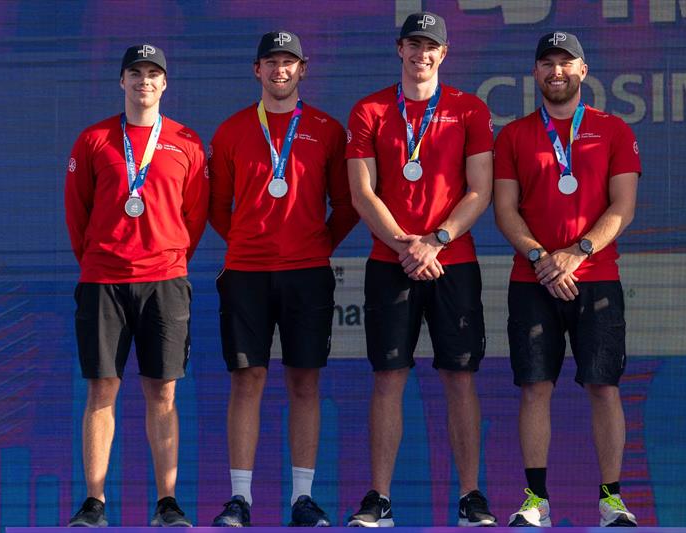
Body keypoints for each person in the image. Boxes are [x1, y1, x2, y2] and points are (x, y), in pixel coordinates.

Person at [345, 11, 496, 527]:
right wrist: (406, 246)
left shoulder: (469, 109)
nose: (421, 54)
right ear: (400, 49)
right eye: (413, 44)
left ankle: (471, 496)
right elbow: (362, 193)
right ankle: (380, 498)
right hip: (391, 262)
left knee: (460, 377)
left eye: (430, 46)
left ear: (444, 53)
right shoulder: (369, 110)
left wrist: (436, 241)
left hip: (453, 262)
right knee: (388, 377)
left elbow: (480, 189)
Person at [207, 31, 358, 527]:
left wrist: (313, 244)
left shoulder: (327, 130)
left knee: (304, 382)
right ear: (257, 70)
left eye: (288, 62)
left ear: (303, 69)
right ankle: (240, 499)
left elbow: (346, 204)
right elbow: (217, 206)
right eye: (271, 62)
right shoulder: (231, 130)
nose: (280, 70)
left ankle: (302, 499)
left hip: (308, 273)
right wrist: (250, 241)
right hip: (245, 273)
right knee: (246, 381)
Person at [493, 31, 640, 527]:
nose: (556, 71)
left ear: (583, 70)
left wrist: (577, 253)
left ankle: (611, 500)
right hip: (532, 279)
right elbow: (505, 210)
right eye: (547, 63)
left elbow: (623, 206)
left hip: (596, 277)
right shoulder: (513, 135)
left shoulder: (613, 130)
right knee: (535, 387)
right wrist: (542, 259)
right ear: (536, 72)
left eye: (566, 62)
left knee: (604, 386)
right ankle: (536, 500)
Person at [64, 43, 208, 527]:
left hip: (165, 281)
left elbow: (195, 214)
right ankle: (94, 502)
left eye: (152, 73)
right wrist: (99, 258)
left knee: (162, 392)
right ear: (121, 81)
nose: (144, 81)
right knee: (101, 389)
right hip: (103, 279)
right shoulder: (94, 139)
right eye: (136, 73)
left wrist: (168, 256)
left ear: (164, 83)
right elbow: (77, 211)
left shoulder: (186, 141)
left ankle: (167, 502)